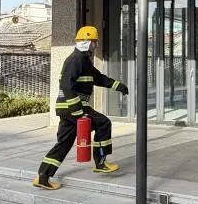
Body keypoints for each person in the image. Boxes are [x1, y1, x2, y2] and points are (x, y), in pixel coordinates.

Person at [33, 25, 128, 190]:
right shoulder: (75, 60)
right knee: (103, 123)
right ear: (88, 42)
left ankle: (43, 176)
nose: (96, 45)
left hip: (69, 109)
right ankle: (100, 162)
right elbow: (66, 85)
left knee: (64, 143)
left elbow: (98, 78)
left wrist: (118, 86)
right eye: (94, 42)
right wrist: (78, 112)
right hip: (73, 107)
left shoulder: (83, 60)